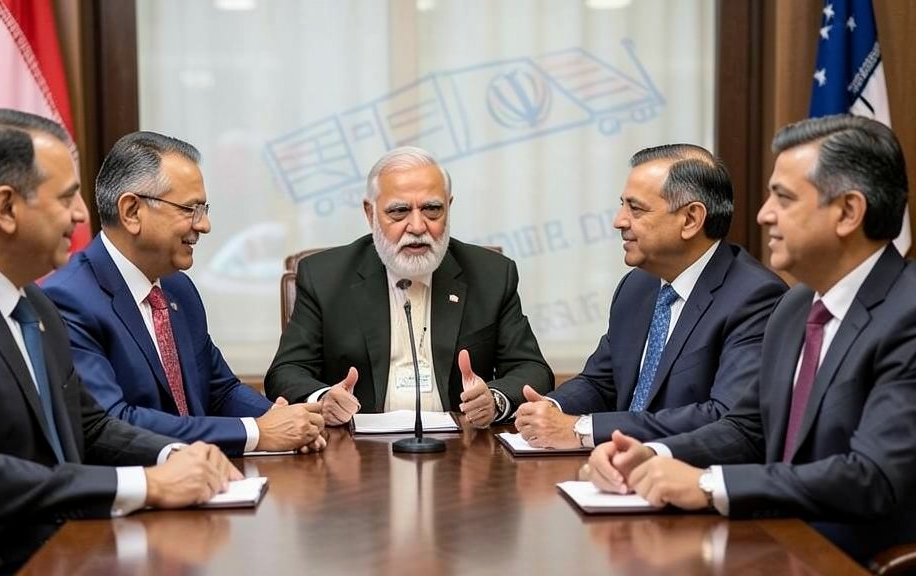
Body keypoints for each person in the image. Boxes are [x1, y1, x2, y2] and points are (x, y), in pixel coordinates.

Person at [0, 110, 239, 572]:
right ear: (6, 208)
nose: (82, 215)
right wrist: (148, 484)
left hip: (71, 540)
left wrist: (178, 454)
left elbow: (92, 427)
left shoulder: (33, 302)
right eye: (67, 198)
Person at [586, 115, 916, 562]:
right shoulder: (796, 307)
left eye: (783, 197)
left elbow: (873, 477)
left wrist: (706, 484)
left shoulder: (907, 313)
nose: (763, 214)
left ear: (849, 212)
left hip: (853, 558)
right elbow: (746, 429)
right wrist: (650, 456)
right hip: (770, 541)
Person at [43, 132, 324, 456]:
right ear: (132, 211)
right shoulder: (68, 299)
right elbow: (113, 422)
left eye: (203, 209)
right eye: (190, 209)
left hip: (206, 480)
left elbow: (221, 391)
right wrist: (257, 432)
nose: (204, 225)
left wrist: (288, 420)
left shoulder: (178, 288)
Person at [515, 145, 785, 448]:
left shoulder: (755, 297)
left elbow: (724, 417)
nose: (619, 221)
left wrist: (582, 430)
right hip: (615, 473)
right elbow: (601, 381)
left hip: (687, 478)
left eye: (636, 209)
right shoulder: (637, 286)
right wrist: (551, 408)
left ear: (691, 219)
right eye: (622, 206)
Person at [265, 146, 553, 428]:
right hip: (355, 452)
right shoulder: (325, 277)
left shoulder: (490, 274)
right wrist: (325, 399)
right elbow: (285, 372)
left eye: (432, 209)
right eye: (399, 211)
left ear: (448, 207)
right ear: (370, 213)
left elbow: (533, 370)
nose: (417, 226)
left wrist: (495, 400)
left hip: (462, 450)